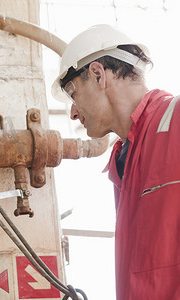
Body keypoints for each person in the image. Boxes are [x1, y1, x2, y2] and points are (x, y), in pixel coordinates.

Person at [51, 24, 180, 299]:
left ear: (98, 74)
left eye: (72, 93)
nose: (73, 112)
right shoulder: (123, 161)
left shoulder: (176, 119)